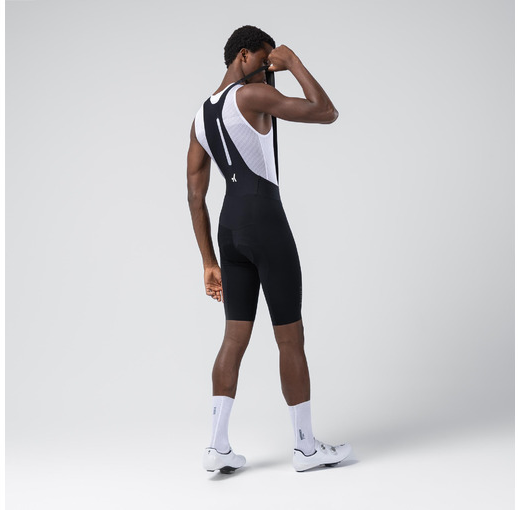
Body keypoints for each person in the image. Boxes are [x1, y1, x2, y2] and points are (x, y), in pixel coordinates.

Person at [186, 25, 351, 473]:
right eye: (265, 60)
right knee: (290, 337)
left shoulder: (201, 116)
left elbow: (195, 194)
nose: (269, 70)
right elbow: (327, 112)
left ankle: (217, 447)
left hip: (229, 230)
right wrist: (293, 61)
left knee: (233, 338)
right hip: (264, 221)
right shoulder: (251, 95)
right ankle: (305, 449)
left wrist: (208, 261)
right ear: (244, 55)